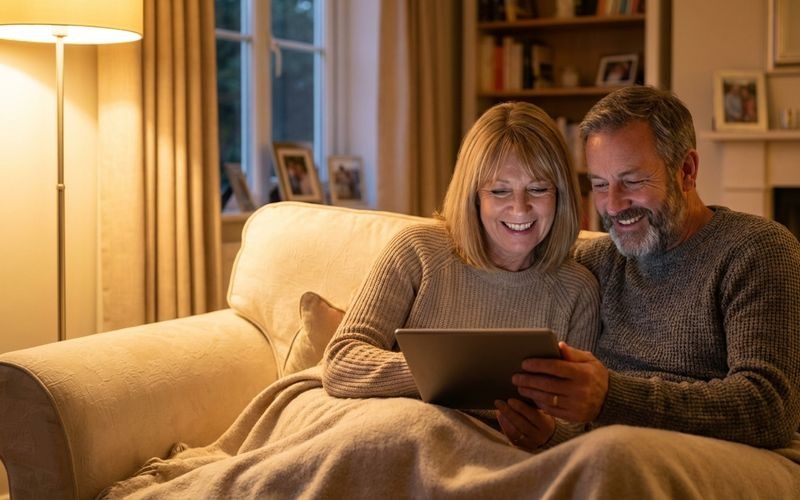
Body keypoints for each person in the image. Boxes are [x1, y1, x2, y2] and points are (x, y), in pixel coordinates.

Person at [498, 86, 800, 479]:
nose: (612, 204)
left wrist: (611, 398)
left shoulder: (758, 250)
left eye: (632, 181)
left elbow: (769, 408)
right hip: (616, 454)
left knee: (612, 451)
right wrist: (550, 433)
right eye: (600, 184)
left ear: (687, 171)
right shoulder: (595, 263)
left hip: (739, 456)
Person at [322, 101, 601, 449]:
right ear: (474, 197)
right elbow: (340, 362)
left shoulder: (577, 289)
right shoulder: (417, 251)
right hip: (402, 436)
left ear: (560, 196)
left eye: (538, 189)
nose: (520, 207)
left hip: (500, 454)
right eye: (499, 190)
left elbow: (577, 424)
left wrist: (547, 432)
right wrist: (445, 372)